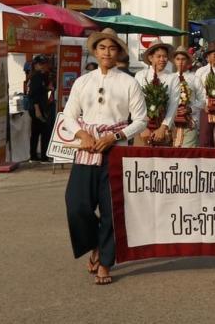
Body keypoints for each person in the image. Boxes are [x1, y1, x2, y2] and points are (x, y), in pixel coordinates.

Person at [61, 29, 147, 285]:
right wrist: (81, 134)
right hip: (86, 148)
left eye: (111, 48)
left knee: (111, 208)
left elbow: (140, 120)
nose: (107, 52)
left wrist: (116, 136)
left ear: (118, 52)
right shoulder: (82, 81)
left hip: (115, 150)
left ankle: (105, 263)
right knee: (76, 204)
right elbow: (68, 115)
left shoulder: (129, 82)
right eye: (102, 48)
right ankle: (96, 244)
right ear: (95, 51)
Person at [134, 43, 175, 146]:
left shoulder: (172, 77)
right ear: (150, 58)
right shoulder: (140, 75)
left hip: (163, 128)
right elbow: (135, 103)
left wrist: (163, 128)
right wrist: (142, 127)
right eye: (159, 56)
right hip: (142, 128)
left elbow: (173, 105)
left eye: (165, 56)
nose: (162, 59)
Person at [169, 50, 203, 147]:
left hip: (189, 121)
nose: (180, 62)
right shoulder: (169, 78)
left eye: (183, 59)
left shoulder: (194, 78)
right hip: (172, 122)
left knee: (188, 155)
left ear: (188, 61)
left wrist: (190, 109)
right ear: (174, 61)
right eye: (178, 59)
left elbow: (203, 100)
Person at [27, 55, 55, 162]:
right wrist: (37, 110)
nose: (43, 66)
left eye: (44, 64)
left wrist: (48, 88)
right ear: (35, 65)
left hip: (43, 106)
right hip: (37, 108)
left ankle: (39, 155)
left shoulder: (43, 76)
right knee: (41, 132)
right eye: (40, 64)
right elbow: (33, 95)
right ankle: (40, 156)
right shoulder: (36, 76)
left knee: (40, 132)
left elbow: (43, 90)